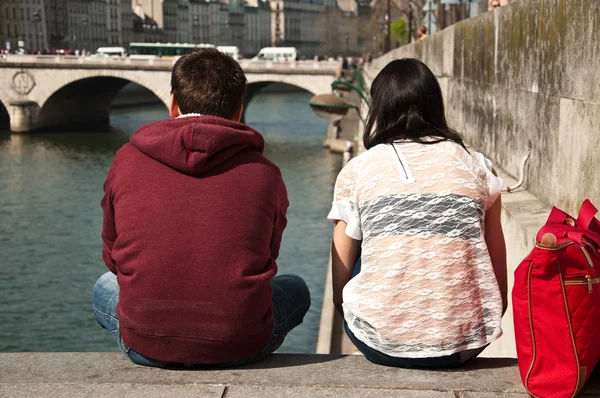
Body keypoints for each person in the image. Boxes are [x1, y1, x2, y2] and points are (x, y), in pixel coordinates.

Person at [93, 48, 310, 368]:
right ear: (238, 112)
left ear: (172, 104)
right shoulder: (265, 172)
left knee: (103, 286)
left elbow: (112, 255)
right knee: (296, 288)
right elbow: (267, 255)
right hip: (241, 344)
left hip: (145, 344)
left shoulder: (126, 159)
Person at [328, 58, 507, 368]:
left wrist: (345, 307)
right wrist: (491, 313)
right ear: (435, 104)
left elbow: (340, 276)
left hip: (379, 345)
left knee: (359, 237)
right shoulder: (479, 167)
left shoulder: (357, 170)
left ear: (380, 109)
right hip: (463, 347)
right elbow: (496, 257)